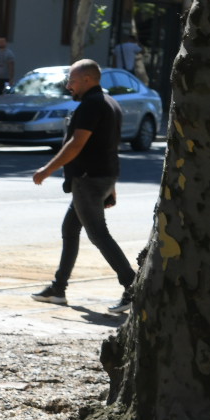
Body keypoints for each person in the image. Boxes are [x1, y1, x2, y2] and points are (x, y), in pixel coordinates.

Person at [31, 59, 137, 313]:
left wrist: (47, 170)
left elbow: (76, 144)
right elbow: (109, 147)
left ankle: (133, 287)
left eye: (72, 80)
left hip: (89, 180)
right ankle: (58, 289)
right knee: (70, 229)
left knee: (98, 234)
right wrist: (111, 185)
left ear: (88, 80)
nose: (69, 85)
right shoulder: (110, 103)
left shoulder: (92, 105)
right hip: (99, 178)